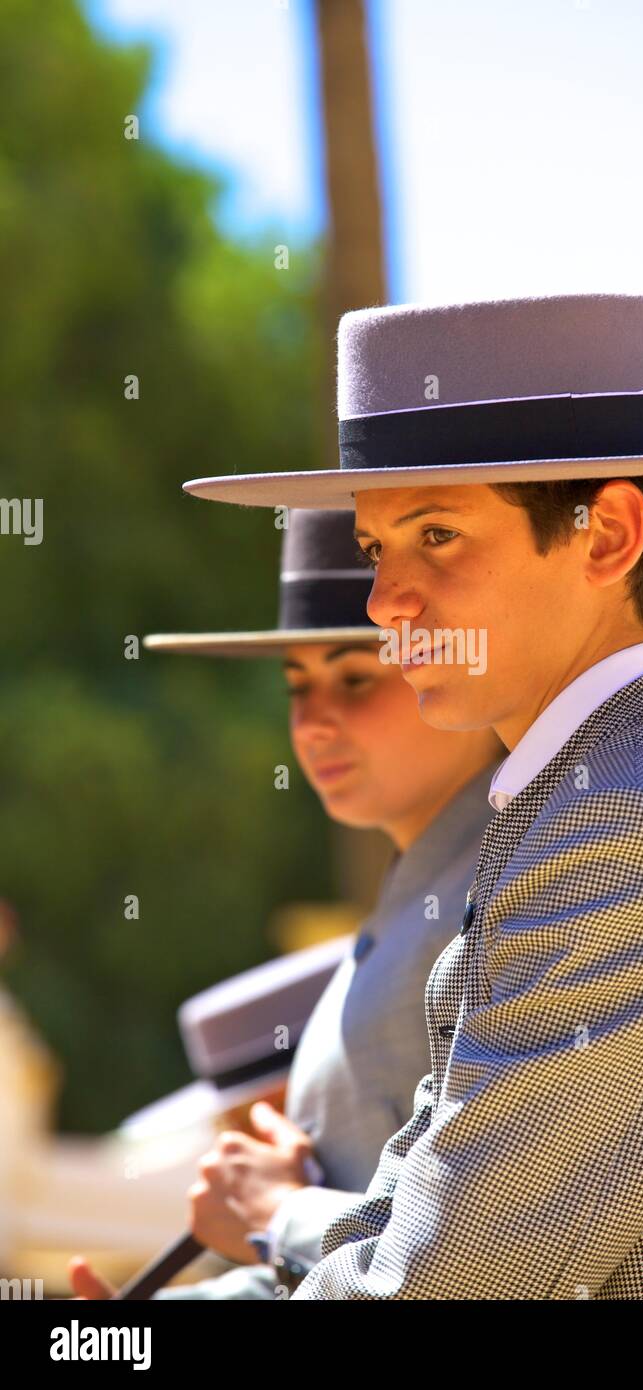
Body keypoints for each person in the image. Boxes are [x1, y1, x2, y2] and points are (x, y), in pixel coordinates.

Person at [184, 292, 643, 1300]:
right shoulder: (586, 805)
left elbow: (433, 1289)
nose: (382, 601)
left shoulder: (631, 831)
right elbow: (412, 1216)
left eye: (437, 535)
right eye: (376, 547)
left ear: (606, 536)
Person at [68, 508, 501, 1299]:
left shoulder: (506, 887)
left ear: (454, 663)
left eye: (355, 678)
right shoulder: (421, 894)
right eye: (296, 684)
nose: (312, 721)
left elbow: (476, 1256)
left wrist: (278, 1212)